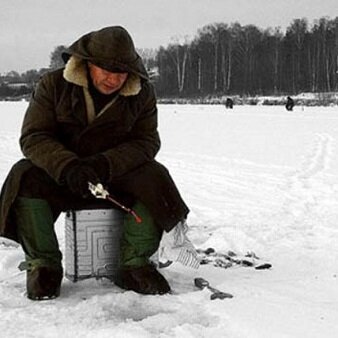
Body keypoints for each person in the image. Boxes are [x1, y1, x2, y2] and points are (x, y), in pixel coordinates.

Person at [0, 26, 190, 300]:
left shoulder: (142, 93)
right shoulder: (53, 85)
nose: (113, 79)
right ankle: (44, 266)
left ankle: (135, 265)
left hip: (113, 177)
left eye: (121, 72)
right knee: (24, 174)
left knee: (154, 176)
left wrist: (103, 165)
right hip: (64, 177)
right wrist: (68, 167)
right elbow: (34, 136)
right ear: (87, 64)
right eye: (106, 70)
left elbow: (146, 142)